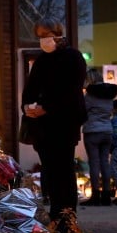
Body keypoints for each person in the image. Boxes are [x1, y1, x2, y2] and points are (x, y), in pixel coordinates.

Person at [21, 18, 88, 220]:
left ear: (58, 34)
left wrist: (47, 108)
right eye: (40, 36)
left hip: (63, 123)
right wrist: (27, 107)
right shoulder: (41, 60)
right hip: (42, 127)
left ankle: (66, 217)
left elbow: (70, 91)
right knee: (50, 169)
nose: (43, 40)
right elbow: (30, 88)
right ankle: (56, 213)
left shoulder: (73, 57)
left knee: (63, 170)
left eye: (46, 35)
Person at [81, 70, 117, 206]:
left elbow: (83, 110)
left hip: (92, 131)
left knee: (94, 163)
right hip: (107, 130)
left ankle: (96, 195)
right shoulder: (109, 94)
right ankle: (107, 195)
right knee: (105, 162)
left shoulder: (90, 95)